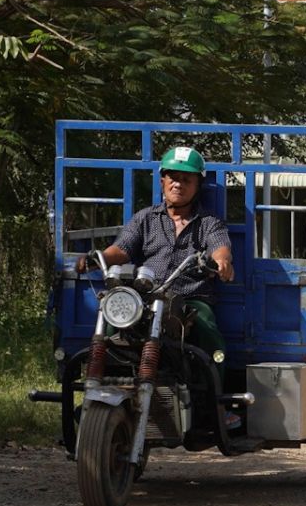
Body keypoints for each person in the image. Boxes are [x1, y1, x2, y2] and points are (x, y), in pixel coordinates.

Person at [75, 146, 235, 362]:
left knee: (208, 332)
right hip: (146, 295)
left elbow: (220, 248)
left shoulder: (210, 223)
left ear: (198, 185)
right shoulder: (145, 218)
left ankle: (212, 391)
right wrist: (98, 258)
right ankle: (105, 376)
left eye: (187, 179)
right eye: (173, 178)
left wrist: (222, 262)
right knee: (113, 319)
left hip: (190, 298)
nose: (178, 184)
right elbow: (122, 249)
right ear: (163, 181)